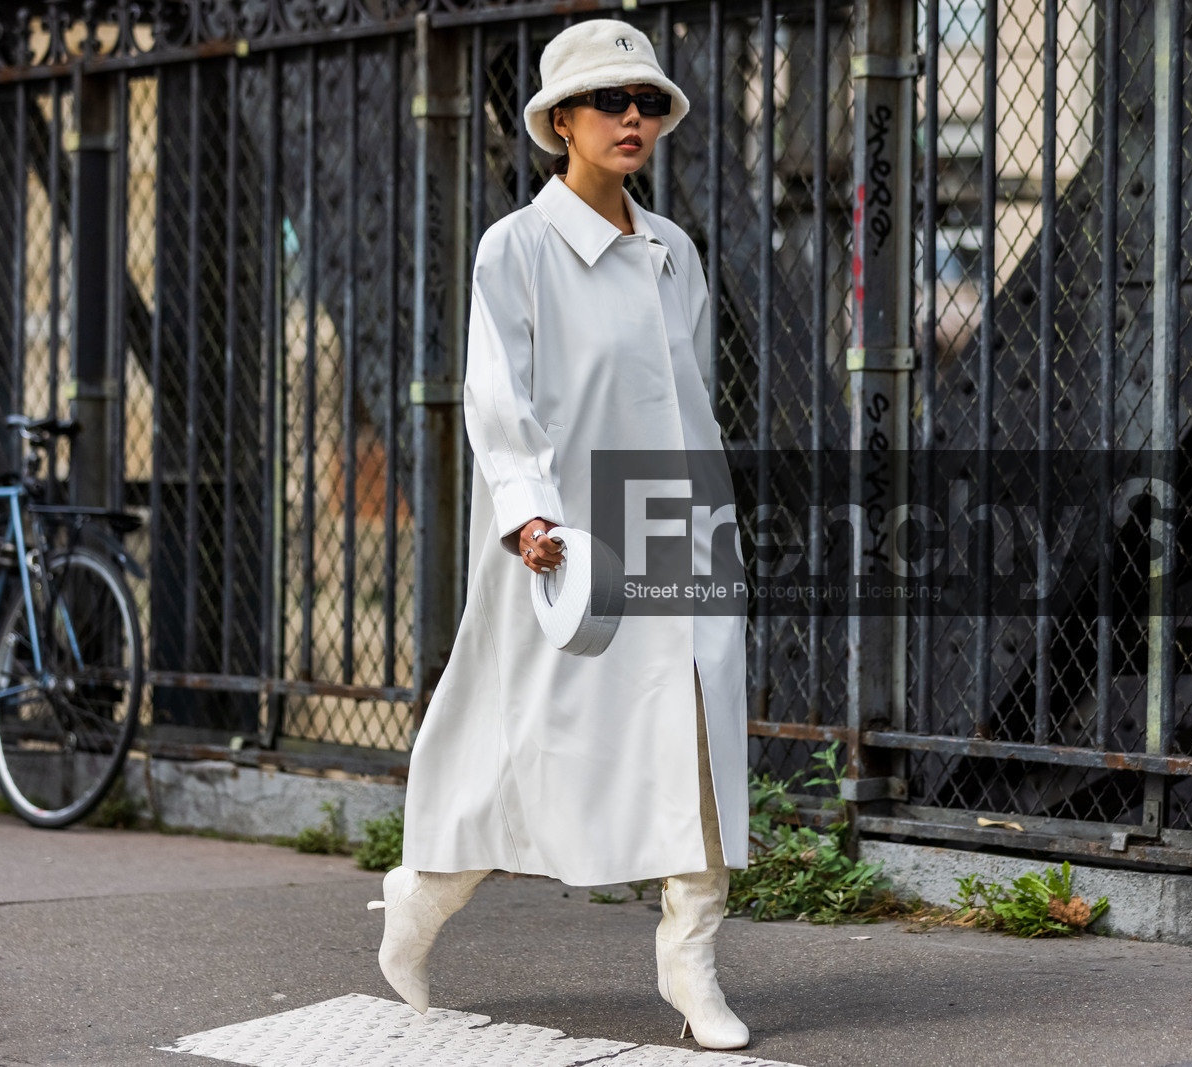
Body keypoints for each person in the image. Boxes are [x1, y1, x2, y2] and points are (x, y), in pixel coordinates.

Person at [367, 18, 751, 1051]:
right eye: (609, 102)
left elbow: (691, 392)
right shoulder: (518, 247)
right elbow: (496, 391)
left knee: (699, 732)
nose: (633, 119)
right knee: (521, 742)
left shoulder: (672, 251)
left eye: (648, 103)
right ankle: (422, 895)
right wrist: (529, 510)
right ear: (560, 123)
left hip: (675, 522)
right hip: (565, 538)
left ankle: (691, 957)